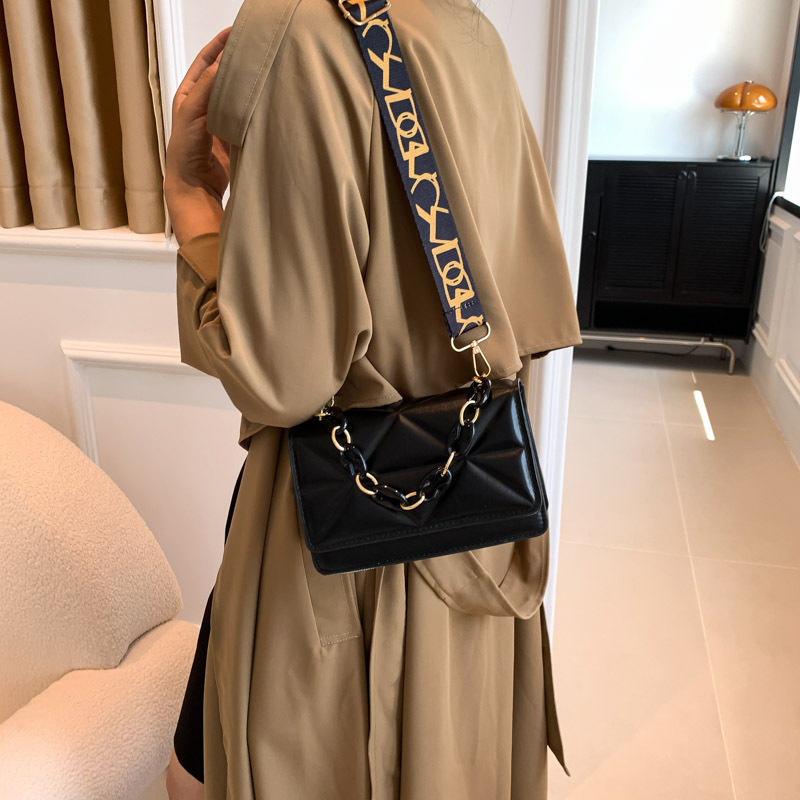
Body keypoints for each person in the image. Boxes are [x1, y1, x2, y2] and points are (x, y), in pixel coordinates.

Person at [164, 0, 582, 797]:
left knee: (226, 762)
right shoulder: (467, 26)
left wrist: (190, 200)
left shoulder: (296, 31)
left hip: (347, 551)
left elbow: (279, 374)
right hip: (476, 528)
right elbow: (524, 298)